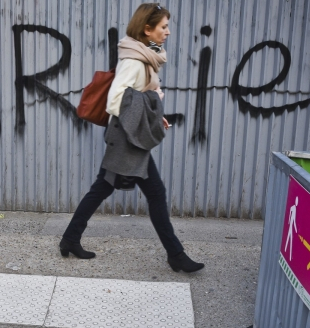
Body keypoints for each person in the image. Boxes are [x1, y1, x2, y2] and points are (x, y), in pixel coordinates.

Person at [60, 3, 204, 273]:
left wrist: (154, 114)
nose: (168, 32)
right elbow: (115, 102)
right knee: (155, 194)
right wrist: (153, 101)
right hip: (127, 141)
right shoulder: (134, 61)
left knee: (102, 188)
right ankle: (176, 254)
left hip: (128, 137)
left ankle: (70, 238)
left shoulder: (146, 55)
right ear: (147, 29)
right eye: (163, 27)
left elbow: (133, 99)